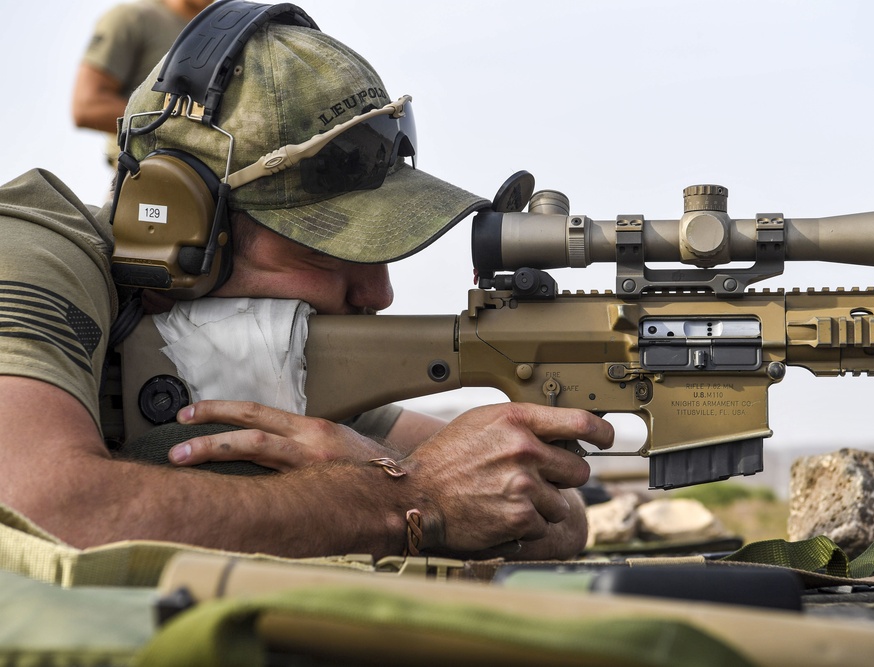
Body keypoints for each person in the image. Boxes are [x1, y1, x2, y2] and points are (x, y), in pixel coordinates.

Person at [0, 5, 613, 561]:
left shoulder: (253, 350)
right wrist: (405, 497)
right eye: (330, 247)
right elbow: (41, 511)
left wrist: (416, 478)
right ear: (184, 227)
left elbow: (553, 514)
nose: (378, 294)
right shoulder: (27, 250)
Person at [71, 0, 215, 168]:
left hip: (215, 183)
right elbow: (88, 105)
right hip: (142, 177)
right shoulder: (132, 17)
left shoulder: (226, 33)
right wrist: (181, 129)